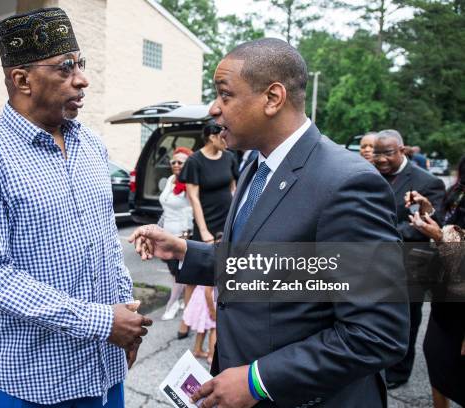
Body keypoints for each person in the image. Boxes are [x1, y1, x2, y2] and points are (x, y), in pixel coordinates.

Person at [129, 38, 409, 408]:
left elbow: (377, 333)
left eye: (224, 95)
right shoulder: (254, 166)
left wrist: (257, 380)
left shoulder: (346, 183)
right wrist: (186, 251)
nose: (214, 108)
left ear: (273, 98)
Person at [0, 8, 151, 407]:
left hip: (102, 367)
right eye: (65, 67)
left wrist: (128, 316)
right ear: (22, 79)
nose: (82, 79)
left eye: (82, 64)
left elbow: (107, 245)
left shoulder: (91, 146)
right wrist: (102, 322)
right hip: (27, 380)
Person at [373, 129, 446, 389]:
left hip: (411, 262)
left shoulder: (426, 182)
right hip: (373, 261)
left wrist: (384, 236)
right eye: (377, 153)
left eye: (387, 153)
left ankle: (399, 372)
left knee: (406, 319)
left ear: (402, 151)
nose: (380, 159)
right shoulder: (369, 175)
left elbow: (432, 223)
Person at [406, 155, 465, 408]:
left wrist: (440, 237)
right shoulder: (457, 192)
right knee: (435, 355)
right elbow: (447, 223)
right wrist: (426, 209)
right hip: (448, 296)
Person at [180, 120, 238, 244]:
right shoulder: (194, 161)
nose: (226, 139)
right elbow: (193, 198)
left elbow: (234, 189)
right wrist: (203, 230)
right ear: (212, 137)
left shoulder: (229, 157)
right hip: (207, 221)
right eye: (223, 136)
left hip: (228, 220)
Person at [159, 147, 194, 321]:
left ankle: (172, 305)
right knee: (174, 272)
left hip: (181, 236)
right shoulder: (171, 180)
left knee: (179, 273)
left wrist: (186, 235)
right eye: (174, 161)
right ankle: (181, 301)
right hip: (166, 233)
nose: (176, 165)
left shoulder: (191, 183)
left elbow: (192, 210)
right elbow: (165, 209)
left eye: (181, 162)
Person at [182, 284, 216, 365]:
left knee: (202, 326)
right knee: (215, 328)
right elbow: (208, 290)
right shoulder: (216, 271)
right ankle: (212, 356)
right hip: (209, 298)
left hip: (201, 296)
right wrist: (212, 311)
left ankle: (197, 350)